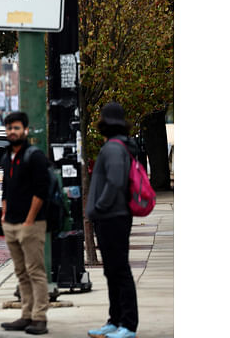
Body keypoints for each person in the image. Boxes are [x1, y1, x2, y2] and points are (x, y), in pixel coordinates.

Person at [86, 102, 140, 338]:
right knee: (113, 270)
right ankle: (116, 320)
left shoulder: (114, 149)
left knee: (119, 271)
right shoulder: (118, 146)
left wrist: (98, 207)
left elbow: (115, 182)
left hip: (112, 217)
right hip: (113, 216)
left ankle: (127, 324)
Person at [0, 112, 52, 335]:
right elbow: (6, 188)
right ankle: (26, 315)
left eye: (17, 128)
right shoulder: (6, 157)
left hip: (31, 225)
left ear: (26, 130)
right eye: (9, 128)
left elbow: (41, 191)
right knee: (21, 272)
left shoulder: (35, 156)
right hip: (10, 224)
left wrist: (29, 220)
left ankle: (40, 318)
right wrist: (3, 215)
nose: (13, 131)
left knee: (35, 271)